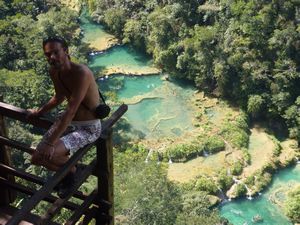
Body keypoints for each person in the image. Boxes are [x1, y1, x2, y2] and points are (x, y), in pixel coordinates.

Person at [27, 36, 102, 198]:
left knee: (49, 153)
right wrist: (39, 112)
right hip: (70, 124)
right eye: (47, 54)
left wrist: (50, 143)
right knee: (35, 159)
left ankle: (72, 171)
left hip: (88, 128)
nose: (52, 57)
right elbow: (59, 97)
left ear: (66, 51)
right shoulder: (54, 72)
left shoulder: (82, 73)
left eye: (55, 52)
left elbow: (71, 109)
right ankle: (73, 169)